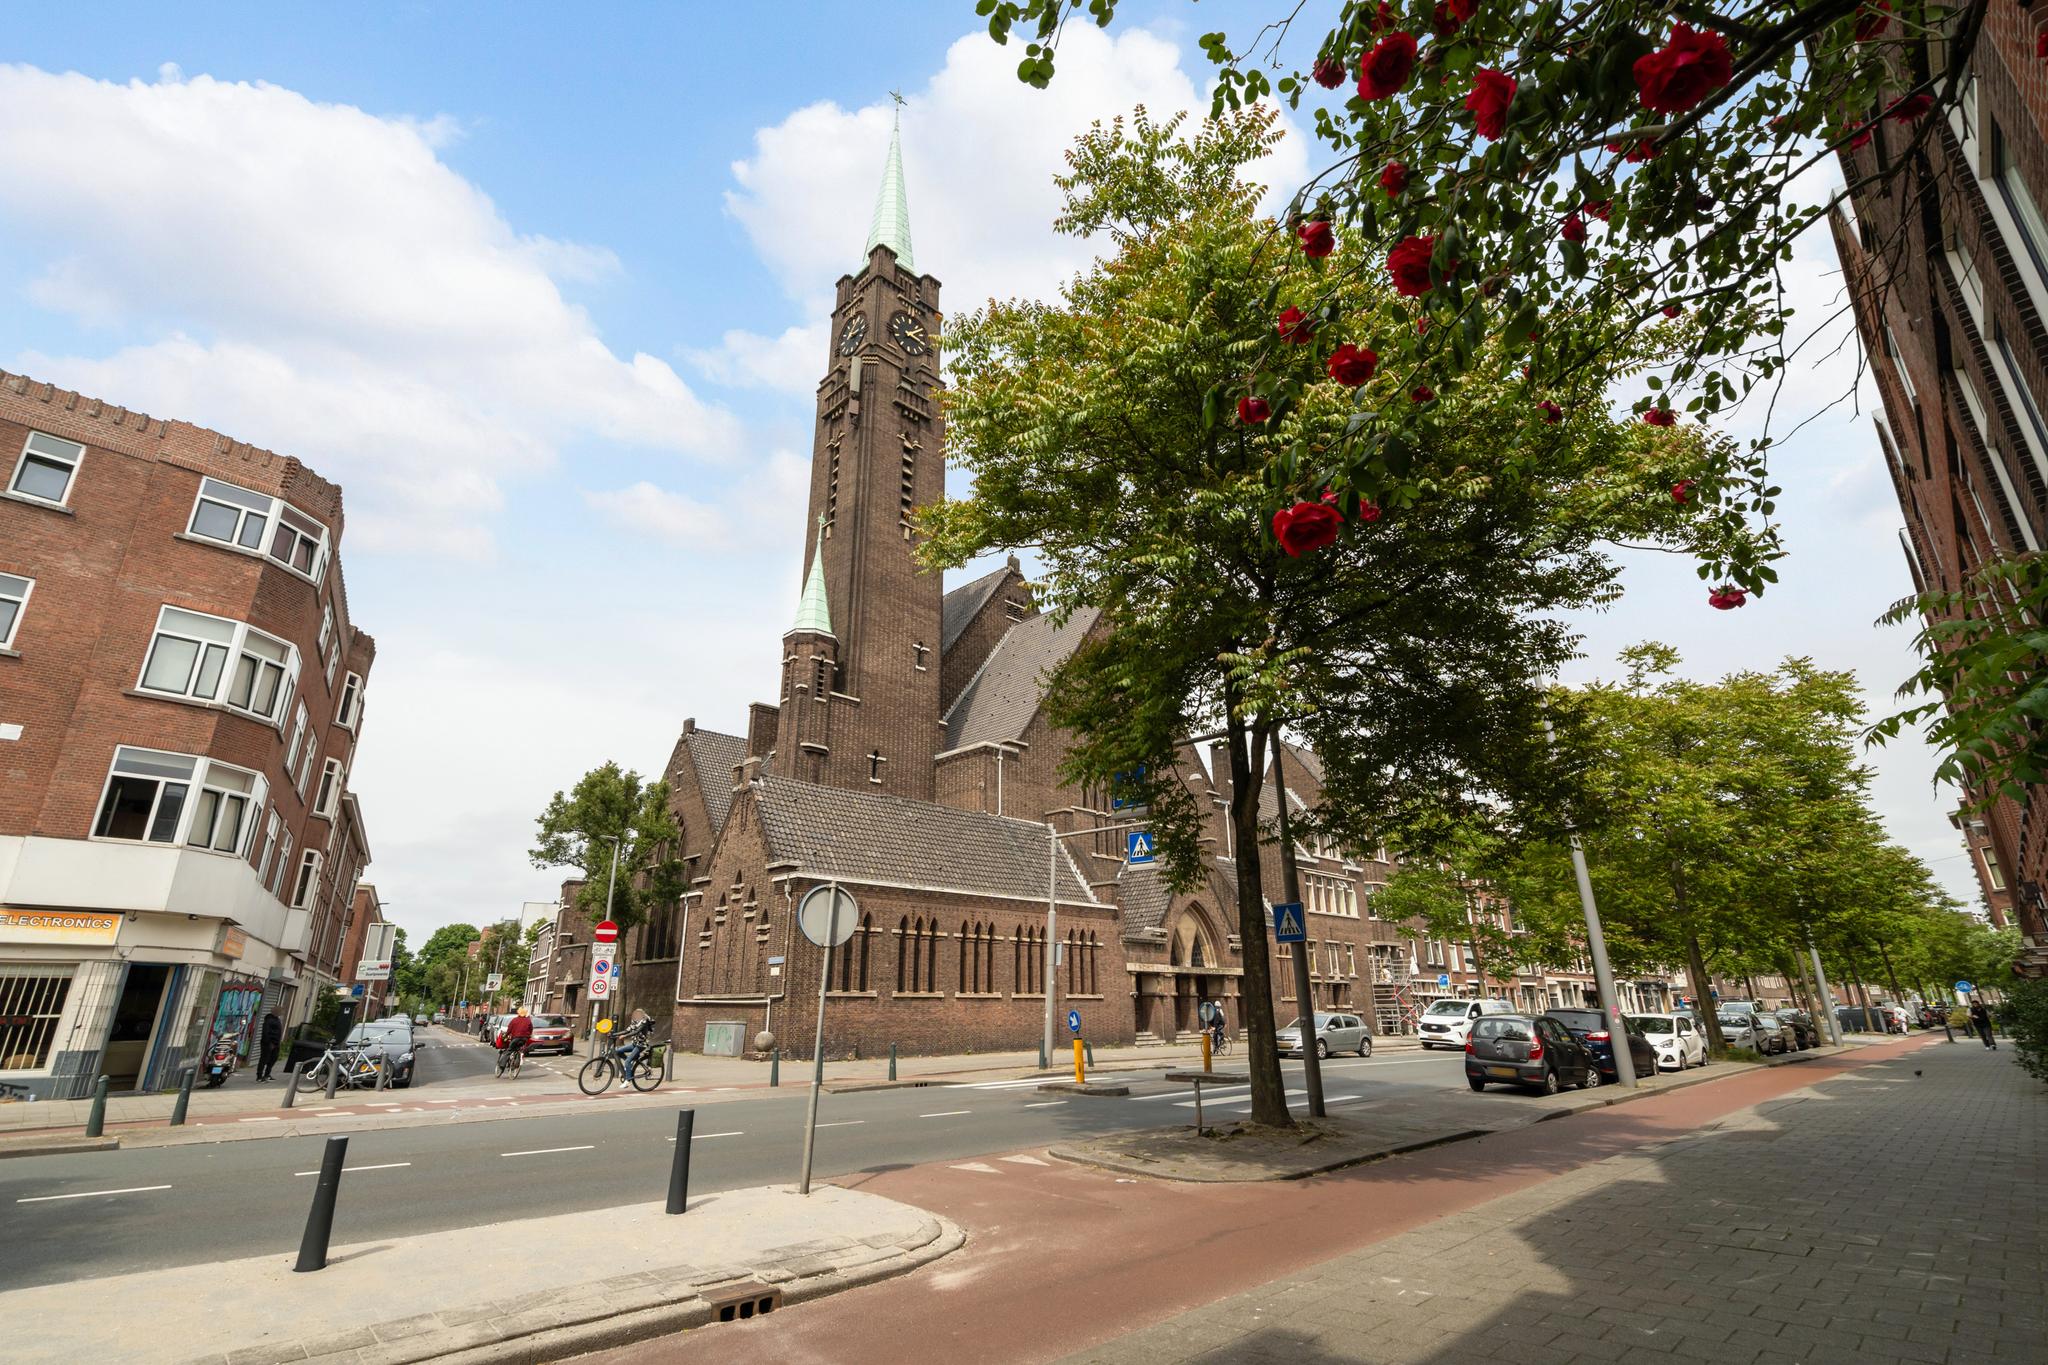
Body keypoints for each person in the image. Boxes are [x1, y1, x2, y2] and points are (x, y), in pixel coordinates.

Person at [613, 1009, 654, 1088]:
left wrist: (625, 1036)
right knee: (618, 1051)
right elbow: (627, 1030)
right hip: (635, 1044)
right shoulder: (635, 1021)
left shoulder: (644, 1022)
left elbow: (636, 1031)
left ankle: (628, 1081)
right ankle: (629, 1064)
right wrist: (614, 1034)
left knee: (627, 1061)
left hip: (641, 1045)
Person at [256, 1009, 283, 1082]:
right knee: (264, 1059)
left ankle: (267, 1074)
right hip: (268, 1043)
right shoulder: (269, 1020)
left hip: (276, 1043)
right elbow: (265, 1032)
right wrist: (269, 1043)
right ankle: (259, 1076)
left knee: (273, 1059)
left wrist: (277, 1043)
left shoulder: (277, 1020)